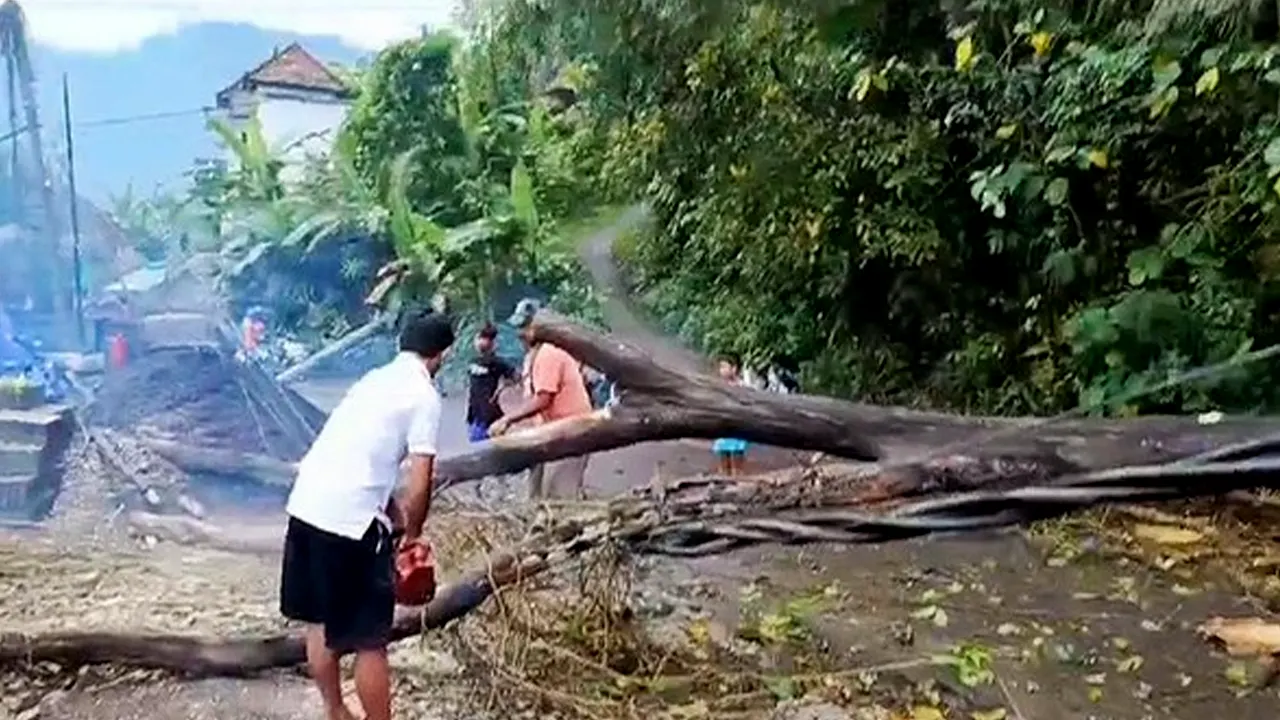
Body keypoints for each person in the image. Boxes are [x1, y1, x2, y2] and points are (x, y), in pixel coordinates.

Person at [280, 308, 454, 720]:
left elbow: (360, 458)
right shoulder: (424, 396)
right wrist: (412, 535)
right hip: (350, 525)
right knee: (369, 640)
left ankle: (335, 710)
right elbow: (421, 477)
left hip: (306, 506)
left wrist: (392, 515)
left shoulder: (372, 381)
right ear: (441, 355)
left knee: (320, 622)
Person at [489, 298, 594, 500]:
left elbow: (543, 399)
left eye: (526, 327)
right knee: (537, 494)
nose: (520, 333)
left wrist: (507, 420)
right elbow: (534, 400)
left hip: (572, 432)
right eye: (519, 327)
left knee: (559, 496)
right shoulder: (531, 357)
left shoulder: (550, 354)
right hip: (553, 431)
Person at [466, 322, 518, 443]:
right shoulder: (473, 361)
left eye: (485, 338)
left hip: (489, 414)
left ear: (493, 342)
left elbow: (516, 377)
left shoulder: (497, 362)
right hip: (474, 413)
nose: (480, 341)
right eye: (479, 337)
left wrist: (501, 388)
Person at [713, 355, 749, 476]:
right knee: (723, 455)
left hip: (738, 424)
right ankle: (725, 480)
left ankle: (739, 481)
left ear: (734, 369)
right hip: (723, 424)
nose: (721, 370)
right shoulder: (718, 386)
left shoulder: (742, 386)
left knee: (737, 455)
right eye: (720, 367)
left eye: (724, 367)